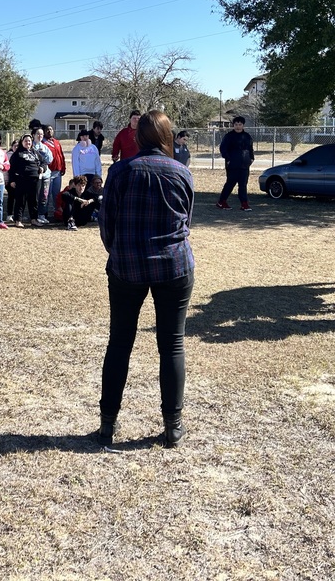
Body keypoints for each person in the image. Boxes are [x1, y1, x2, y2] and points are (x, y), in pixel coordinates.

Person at [97, 110, 195, 449]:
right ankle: (174, 425)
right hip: (174, 265)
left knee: (120, 343)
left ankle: (107, 423)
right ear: (168, 137)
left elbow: (106, 224)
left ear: (138, 139)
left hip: (127, 266)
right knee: (172, 344)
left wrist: (120, 252)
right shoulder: (182, 172)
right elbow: (186, 223)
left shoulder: (121, 172)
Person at [217, 116, 255, 211]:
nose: (238, 127)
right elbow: (223, 148)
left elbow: (250, 149)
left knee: (243, 184)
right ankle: (221, 202)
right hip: (232, 165)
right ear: (233, 125)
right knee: (230, 183)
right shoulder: (229, 136)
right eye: (236, 125)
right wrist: (228, 159)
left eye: (240, 124)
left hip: (244, 165)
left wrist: (251, 159)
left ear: (243, 125)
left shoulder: (247, 136)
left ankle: (244, 204)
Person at [9, 134, 40, 227]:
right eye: (26, 141)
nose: (28, 142)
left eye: (29, 141)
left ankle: (34, 219)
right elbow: (12, 168)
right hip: (21, 179)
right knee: (20, 200)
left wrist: (42, 168)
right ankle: (18, 220)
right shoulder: (18, 154)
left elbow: (43, 162)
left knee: (34, 200)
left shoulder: (35, 152)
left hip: (34, 180)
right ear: (22, 142)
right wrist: (12, 180)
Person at [43, 125, 67, 218]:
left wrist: (63, 168)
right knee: (46, 194)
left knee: (56, 194)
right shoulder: (43, 143)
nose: (49, 131)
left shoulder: (57, 142)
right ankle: (44, 213)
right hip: (48, 172)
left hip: (57, 172)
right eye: (47, 130)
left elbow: (61, 155)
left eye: (51, 129)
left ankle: (57, 212)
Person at [31, 127, 52, 224]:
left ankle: (42, 215)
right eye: (38, 134)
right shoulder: (30, 147)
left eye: (42, 134)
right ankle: (34, 215)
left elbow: (50, 160)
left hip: (46, 175)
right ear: (33, 135)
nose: (40, 136)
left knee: (44, 195)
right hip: (36, 175)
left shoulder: (45, 147)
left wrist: (44, 153)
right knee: (35, 196)